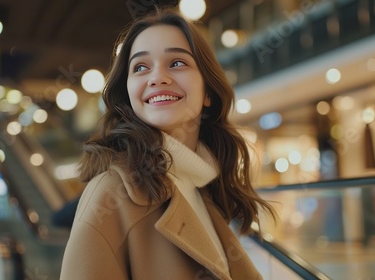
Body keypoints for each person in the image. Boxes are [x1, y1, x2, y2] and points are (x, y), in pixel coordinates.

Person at [60, 7, 275, 280]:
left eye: (176, 63)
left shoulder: (201, 188)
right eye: (140, 67)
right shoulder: (111, 194)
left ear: (208, 91)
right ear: (128, 94)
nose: (157, 77)